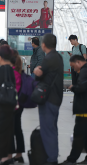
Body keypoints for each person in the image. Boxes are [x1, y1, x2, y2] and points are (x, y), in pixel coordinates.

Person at [33, 34, 64, 165]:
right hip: (56, 97)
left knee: (47, 130)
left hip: (48, 99)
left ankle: (51, 160)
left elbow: (39, 75)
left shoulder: (48, 58)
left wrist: (36, 71)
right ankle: (53, 155)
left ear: (43, 45)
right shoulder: (59, 57)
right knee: (52, 128)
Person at [60, 55, 87, 165]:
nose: (74, 69)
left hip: (84, 109)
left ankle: (71, 159)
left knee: (78, 135)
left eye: (73, 66)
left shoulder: (84, 72)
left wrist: (72, 87)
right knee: (84, 136)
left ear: (78, 62)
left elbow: (81, 87)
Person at [9, 50, 25, 163]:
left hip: (13, 105)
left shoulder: (13, 73)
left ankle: (9, 155)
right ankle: (19, 154)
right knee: (17, 129)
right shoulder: (19, 71)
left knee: (10, 129)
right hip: (19, 104)